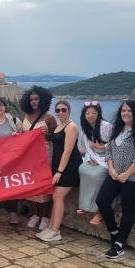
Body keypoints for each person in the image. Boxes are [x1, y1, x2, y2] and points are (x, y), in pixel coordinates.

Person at [96, 100, 135, 259]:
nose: (126, 113)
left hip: (134, 177)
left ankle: (120, 244)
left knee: (128, 209)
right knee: (102, 201)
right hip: (115, 174)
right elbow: (109, 152)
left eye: (129, 111)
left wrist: (126, 174)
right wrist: (112, 169)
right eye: (123, 111)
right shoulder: (117, 129)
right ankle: (114, 232)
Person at [36, 100, 82, 242]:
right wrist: (44, 132)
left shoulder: (71, 127)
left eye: (63, 110)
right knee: (55, 197)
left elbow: (67, 152)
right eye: (58, 110)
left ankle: (55, 231)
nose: (60, 112)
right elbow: (52, 138)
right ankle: (51, 228)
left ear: (69, 110)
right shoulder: (59, 126)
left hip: (69, 168)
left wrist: (59, 172)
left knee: (57, 197)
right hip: (59, 167)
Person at [20, 85, 57, 231]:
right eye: (31, 99)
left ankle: (45, 217)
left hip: (45, 155)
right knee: (31, 186)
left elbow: (57, 137)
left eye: (36, 99)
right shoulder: (24, 117)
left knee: (44, 186)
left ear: (42, 100)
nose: (34, 102)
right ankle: (35, 214)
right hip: (29, 156)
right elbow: (21, 136)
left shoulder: (49, 118)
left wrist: (47, 134)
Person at [0, 97, 23, 224]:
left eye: (0, 105)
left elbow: (23, 137)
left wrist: (17, 136)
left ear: (5, 106)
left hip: (11, 160)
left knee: (11, 185)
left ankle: (12, 213)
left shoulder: (14, 120)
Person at [77, 101, 112, 225]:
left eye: (93, 113)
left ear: (98, 114)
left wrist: (103, 148)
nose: (90, 115)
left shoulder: (106, 126)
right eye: (88, 113)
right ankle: (85, 205)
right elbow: (86, 147)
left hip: (108, 158)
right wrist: (90, 158)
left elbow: (116, 142)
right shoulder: (86, 128)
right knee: (82, 169)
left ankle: (98, 210)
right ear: (84, 115)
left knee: (98, 175)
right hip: (94, 157)